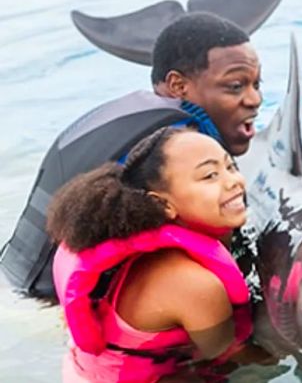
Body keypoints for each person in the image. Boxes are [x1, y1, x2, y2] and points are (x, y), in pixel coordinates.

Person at [1, 12, 263, 297]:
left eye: (256, 85)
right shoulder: (181, 145)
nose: (254, 100)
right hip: (51, 305)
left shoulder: (122, 114)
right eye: (235, 86)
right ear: (178, 86)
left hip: (14, 282)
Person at [48, 127, 270, 382]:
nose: (234, 181)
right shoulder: (194, 284)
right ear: (163, 204)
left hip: (84, 371)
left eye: (230, 167)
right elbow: (226, 356)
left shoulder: (133, 240)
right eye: (210, 175)